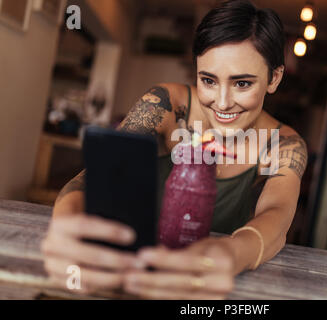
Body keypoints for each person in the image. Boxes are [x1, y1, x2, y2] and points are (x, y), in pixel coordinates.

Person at [41, 0, 307, 300]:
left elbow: (277, 216)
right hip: (121, 273)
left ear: (274, 78)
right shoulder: (167, 104)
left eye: (242, 84)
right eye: (208, 80)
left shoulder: (283, 144)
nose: (221, 103)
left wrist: (230, 255)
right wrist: (67, 226)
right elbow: (95, 178)